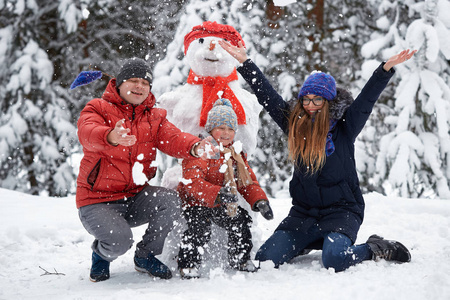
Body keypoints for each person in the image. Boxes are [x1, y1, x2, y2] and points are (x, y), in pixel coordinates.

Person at [220, 39, 416, 272]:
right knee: (265, 259)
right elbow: (269, 98)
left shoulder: (346, 128)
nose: (310, 105)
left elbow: (367, 100)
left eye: (317, 100)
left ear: (328, 102)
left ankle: (375, 247)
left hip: (341, 212)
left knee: (335, 259)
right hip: (303, 214)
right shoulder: (295, 125)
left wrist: (385, 69)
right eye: (306, 99)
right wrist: (245, 62)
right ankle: (304, 242)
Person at [76, 57, 217, 282]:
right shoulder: (98, 108)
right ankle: (101, 254)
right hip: (97, 200)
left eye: (145, 83)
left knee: (171, 201)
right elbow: (87, 132)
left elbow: (173, 138)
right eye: (133, 80)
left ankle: (145, 255)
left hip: (135, 196)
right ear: (119, 84)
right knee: (119, 241)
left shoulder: (154, 116)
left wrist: (195, 146)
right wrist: (111, 136)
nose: (139, 86)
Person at [176, 99, 274, 278]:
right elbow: (192, 182)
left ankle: (240, 258)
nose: (226, 133)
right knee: (199, 228)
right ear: (210, 129)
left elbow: (247, 181)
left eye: (230, 129)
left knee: (240, 220)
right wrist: (217, 194)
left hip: (221, 202)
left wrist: (259, 200)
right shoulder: (202, 149)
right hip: (196, 202)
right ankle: (188, 263)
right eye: (221, 128)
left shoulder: (236, 155)